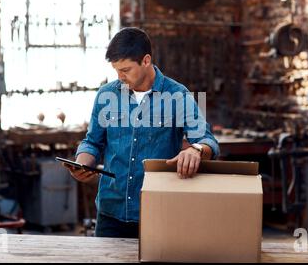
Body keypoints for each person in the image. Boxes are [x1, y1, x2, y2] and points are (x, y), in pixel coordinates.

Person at [64, 27, 220, 238]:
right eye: (116, 70)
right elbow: (93, 141)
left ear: (146, 61)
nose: (120, 77)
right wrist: (83, 164)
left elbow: (206, 140)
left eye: (126, 70)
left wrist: (196, 150)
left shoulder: (178, 95)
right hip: (111, 211)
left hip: (159, 211)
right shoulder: (106, 95)